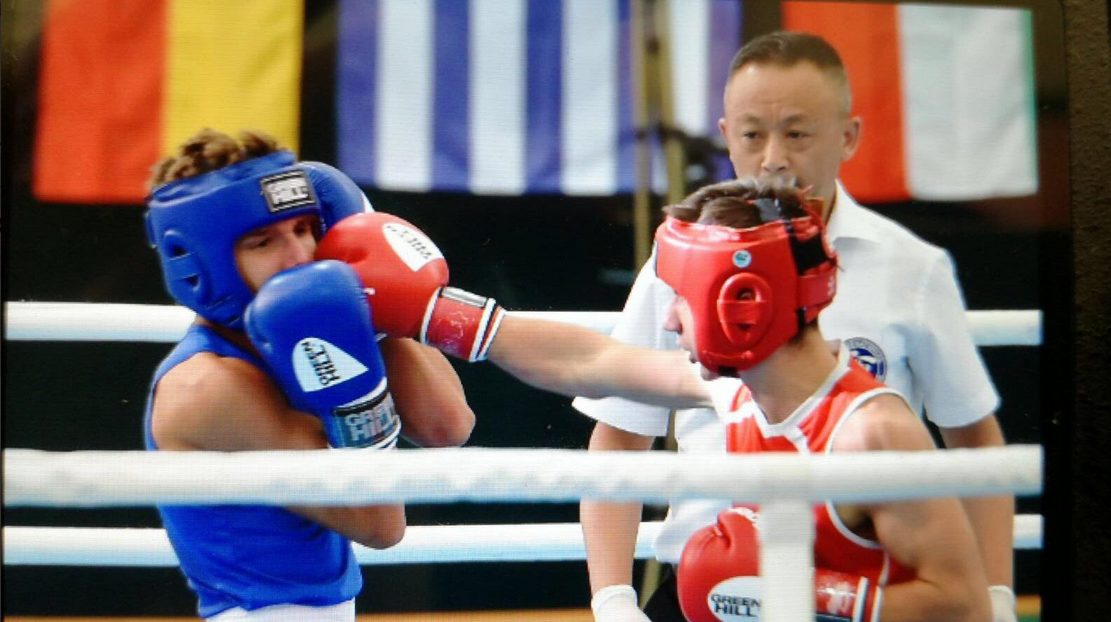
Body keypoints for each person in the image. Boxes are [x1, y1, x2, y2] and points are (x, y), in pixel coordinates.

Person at [319, 178, 992, 622]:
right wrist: (438, 317)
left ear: (743, 306)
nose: (669, 323)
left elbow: (962, 602)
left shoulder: (871, 433)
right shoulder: (731, 392)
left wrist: (803, 593)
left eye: (682, 302)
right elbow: (593, 359)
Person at [571, 31, 1014, 622]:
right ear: (727, 139)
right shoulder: (679, 258)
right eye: (753, 134)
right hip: (703, 585)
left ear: (848, 136)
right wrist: (613, 602)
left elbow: (976, 442)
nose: (774, 157)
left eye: (797, 132)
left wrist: (997, 597)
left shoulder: (912, 268)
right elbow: (620, 433)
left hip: (862, 590)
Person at [143, 129, 474, 620]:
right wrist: (356, 373)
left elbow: (447, 426)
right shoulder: (208, 386)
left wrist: (374, 305)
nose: (300, 255)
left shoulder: (295, 341)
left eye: (304, 229)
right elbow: (379, 525)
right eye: (263, 241)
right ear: (202, 264)